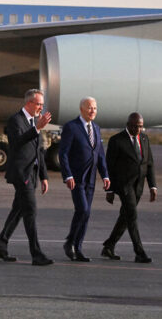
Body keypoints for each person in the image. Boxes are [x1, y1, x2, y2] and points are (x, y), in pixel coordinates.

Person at [0, 89, 54, 266]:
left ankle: (0, 246)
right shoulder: (15, 120)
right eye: (38, 104)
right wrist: (37, 128)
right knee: (30, 211)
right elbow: (17, 142)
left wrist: (44, 176)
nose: (41, 108)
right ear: (29, 103)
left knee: (18, 210)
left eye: (42, 105)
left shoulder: (34, 122)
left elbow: (38, 151)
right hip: (21, 174)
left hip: (32, 173)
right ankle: (36, 254)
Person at [59, 97, 110, 262]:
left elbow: (100, 154)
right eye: (90, 108)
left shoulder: (96, 127)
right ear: (82, 109)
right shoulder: (71, 127)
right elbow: (63, 153)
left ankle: (78, 248)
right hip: (77, 178)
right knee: (83, 210)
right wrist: (67, 175)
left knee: (86, 214)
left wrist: (105, 175)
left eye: (95, 108)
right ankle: (69, 243)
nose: (93, 111)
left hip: (91, 179)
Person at [102, 112, 157, 263]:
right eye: (135, 126)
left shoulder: (144, 139)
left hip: (138, 185)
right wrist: (110, 190)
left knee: (125, 216)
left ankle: (109, 246)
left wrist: (153, 186)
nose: (138, 129)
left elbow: (149, 164)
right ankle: (139, 252)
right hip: (124, 186)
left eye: (140, 126)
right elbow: (110, 166)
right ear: (128, 125)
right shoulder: (117, 140)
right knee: (132, 215)